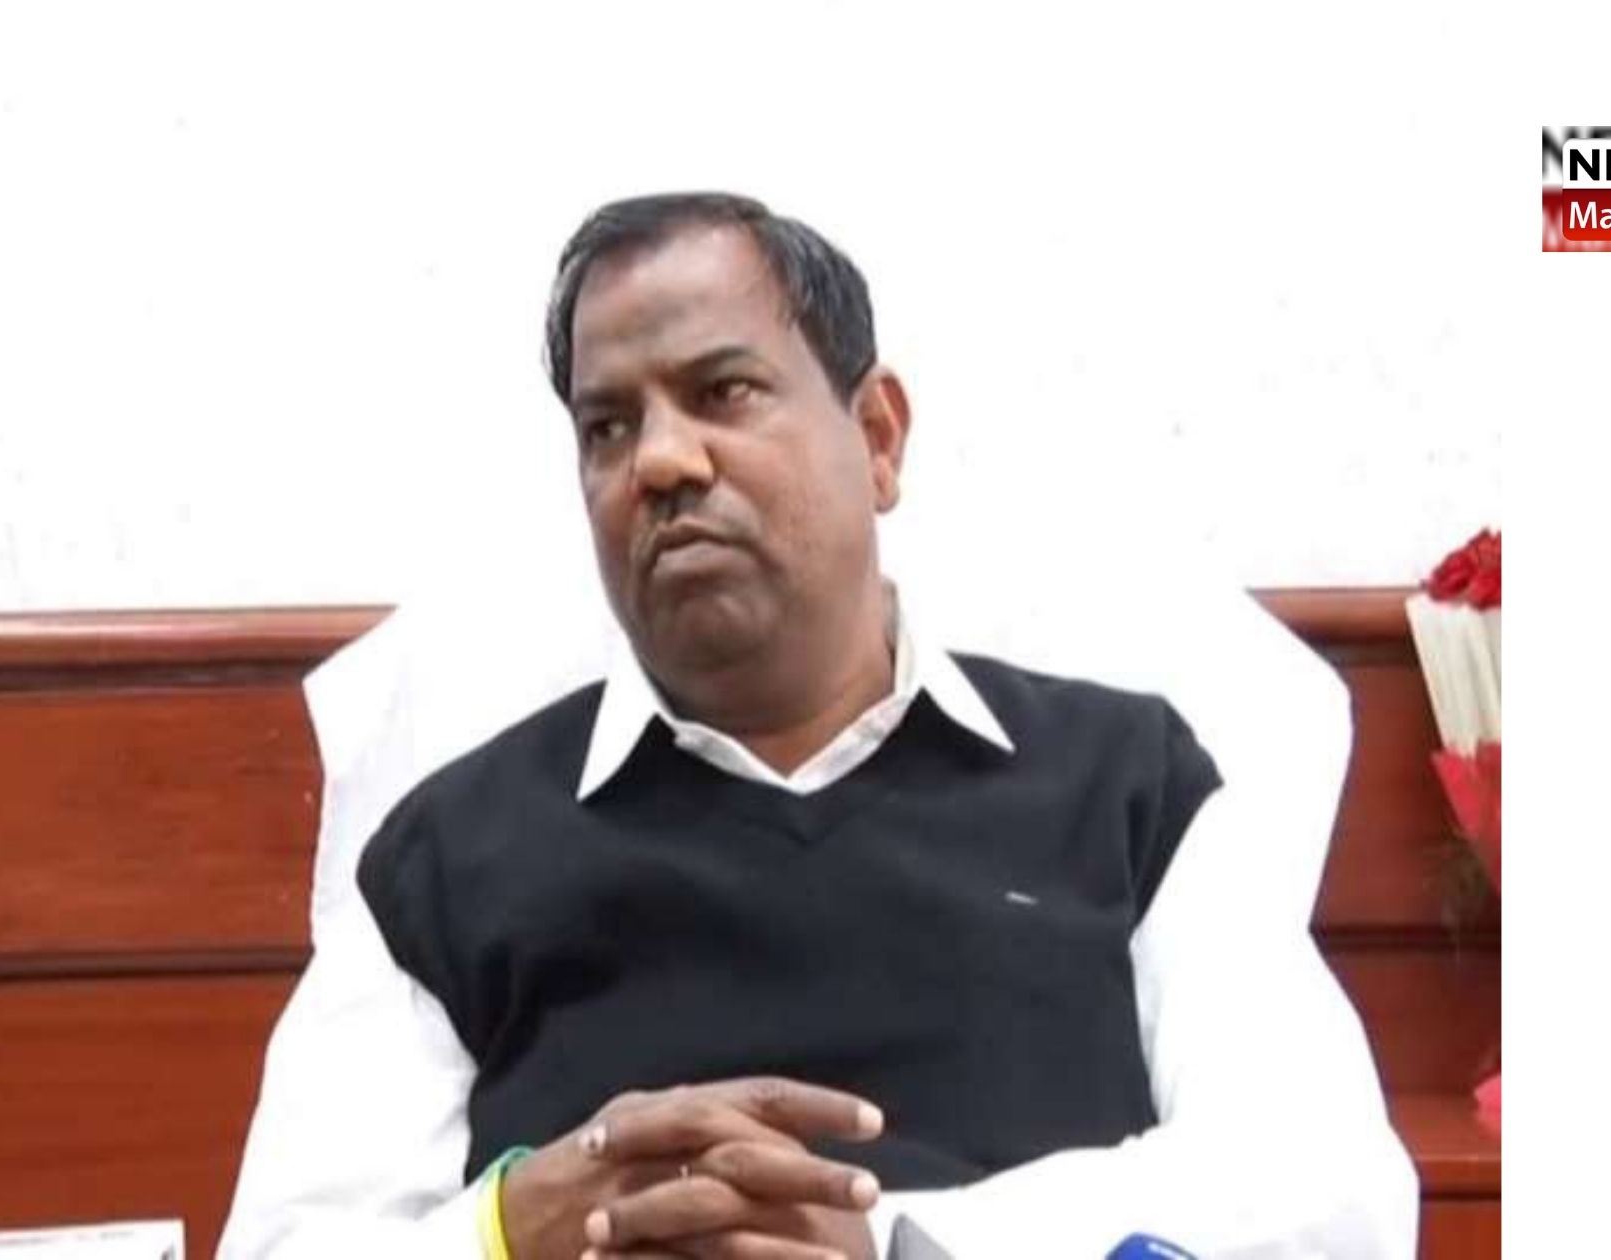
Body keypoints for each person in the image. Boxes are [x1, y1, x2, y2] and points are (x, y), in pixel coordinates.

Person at [220, 193, 1416, 1259]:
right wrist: (507, 1231)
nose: (661, 463)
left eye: (721, 392)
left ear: (877, 437)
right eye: (607, 427)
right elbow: (283, 1244)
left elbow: (1326, 1199)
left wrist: (891, 1241)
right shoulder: (449, 854)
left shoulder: (1125, 789)